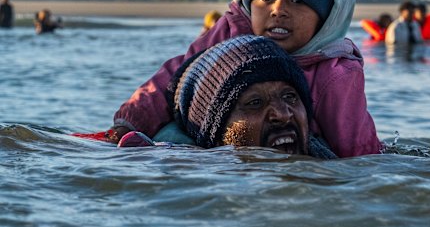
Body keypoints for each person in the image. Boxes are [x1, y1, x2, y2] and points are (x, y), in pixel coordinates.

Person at [107, 0, 382, 158]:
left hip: (291, 145)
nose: (278, 10)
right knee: (172, 134)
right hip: (211, 140)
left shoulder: (336, 72)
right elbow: (174, 79)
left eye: (297, 1)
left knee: (318, 153)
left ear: (328, 14)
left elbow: (355, 147)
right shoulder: (232, 31)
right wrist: (128, 123)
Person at [116, 35, 337, 159]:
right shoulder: (193, 181)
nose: (282, 113)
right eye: (255, 103)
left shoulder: (334, 168)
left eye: (290, 97)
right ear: (215, 133)